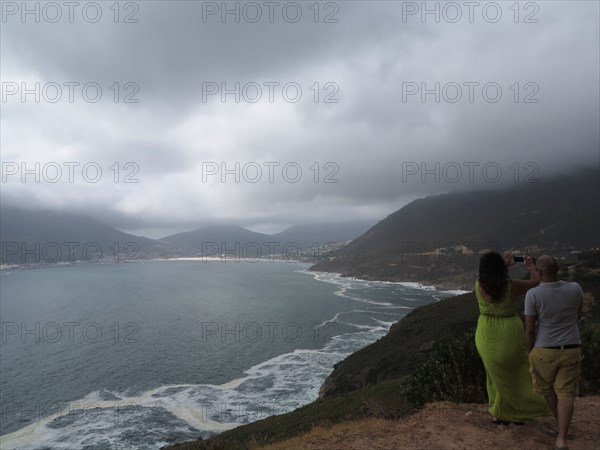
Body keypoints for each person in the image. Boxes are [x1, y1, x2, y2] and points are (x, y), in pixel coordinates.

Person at [475, 251, 551, 424]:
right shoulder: (511, 286)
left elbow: (490, 280)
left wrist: (501, 267)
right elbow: (536, 283)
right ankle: (517, 411)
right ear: (500, 268)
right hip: (509, 334)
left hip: (485, 334)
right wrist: (532, 267)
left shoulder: (478, 284)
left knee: (494, 374)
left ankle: (500, 411)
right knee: (517, 373)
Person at [525, 255, 583, 450]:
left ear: (539, 272)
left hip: (544, 349)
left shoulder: (533, 294)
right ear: (558, 269)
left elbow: (530, 328)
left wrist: (529, 349)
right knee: (566, 394)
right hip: (572, 347)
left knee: (548, 390)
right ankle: (562, 438)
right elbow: (579, 313)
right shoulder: (575, 288)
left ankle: (560, 427)